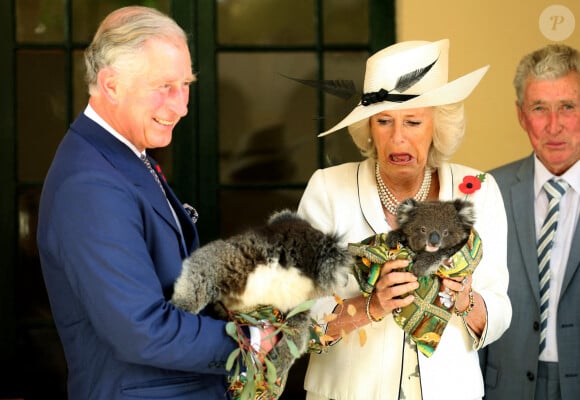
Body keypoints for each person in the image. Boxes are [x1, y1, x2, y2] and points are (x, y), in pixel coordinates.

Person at [36, 6, 277, 399]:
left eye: (186, 84)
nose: (180, 106)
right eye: (164, 86)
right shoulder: (90, 184)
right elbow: (139, 330)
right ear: (111, 84)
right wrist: (248, 339)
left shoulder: (122, 155)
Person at [296, 39, 512, 400]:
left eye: (412, 121)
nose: (398, 138)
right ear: (368, 128)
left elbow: (500, 308)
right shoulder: (328, 189)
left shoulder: (478, 191)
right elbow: (296, 309)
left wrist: (465, 300)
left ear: (436, 126)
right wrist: (370, 306)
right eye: (383, 121)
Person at [481, 44, 580, 399]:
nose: (554, 126)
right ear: (522, 115)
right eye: (540, 108)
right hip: (504, 388)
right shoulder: (488, 191)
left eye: (568, 107)